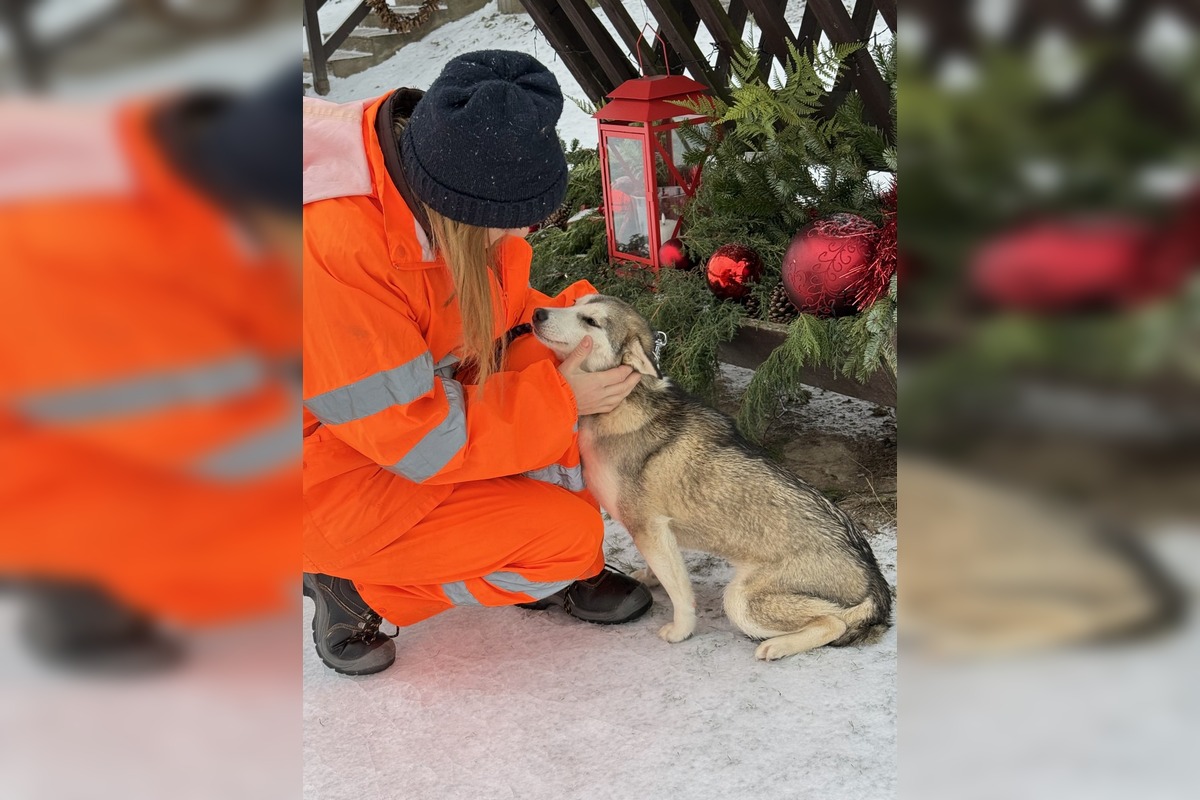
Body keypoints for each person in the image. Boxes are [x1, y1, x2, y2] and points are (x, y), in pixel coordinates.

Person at [302, 50, 652, 676]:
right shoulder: (336, 250)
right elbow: (413, 436)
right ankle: (356, 584)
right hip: (326, 480)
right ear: (464, 207)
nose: (516, 237)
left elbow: (501, 320)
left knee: (567, 365)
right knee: (568, 541)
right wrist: (562, 399)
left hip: (398, 435)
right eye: (507, 224)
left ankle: (526, 547)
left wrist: (597, 336)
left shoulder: (438, 183)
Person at [0, 69, 302, 672]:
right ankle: (74, 592)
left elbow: (267, 336)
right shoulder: (87, 243)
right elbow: (214, 444)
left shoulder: (198, 191)